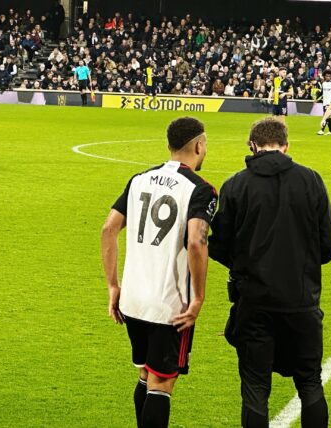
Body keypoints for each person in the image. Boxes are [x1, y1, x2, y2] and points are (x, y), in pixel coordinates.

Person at [209, 118, 331, 428]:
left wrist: (247, 265)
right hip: (301, 299)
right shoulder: (311, 180)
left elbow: (218, 245)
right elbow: (328, 246)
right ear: (286, 145)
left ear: (253, 145)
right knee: (309, 383)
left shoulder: (236, 185)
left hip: (253, 301)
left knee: (255, 388)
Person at [101, 117, 217, 428]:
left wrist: (113, 285)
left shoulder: (139, 179)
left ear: (169, 145)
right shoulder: (201, 190)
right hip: (169, 304)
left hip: (133, 299)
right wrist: (198, 299)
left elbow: (109, 228)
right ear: (198, 146)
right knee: (162, 383)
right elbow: (196, 241)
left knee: (145, 373)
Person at [317, 70, 331, 136]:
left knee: (326, 116)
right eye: (326, 76)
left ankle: (322, 130)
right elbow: (322, 92)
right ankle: (330, 131)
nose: (328, 77)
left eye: (329, 76)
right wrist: (316, 99)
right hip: (324, 102)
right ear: (324, 76)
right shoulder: (323, 84)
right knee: (327, 117)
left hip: (330, 103)